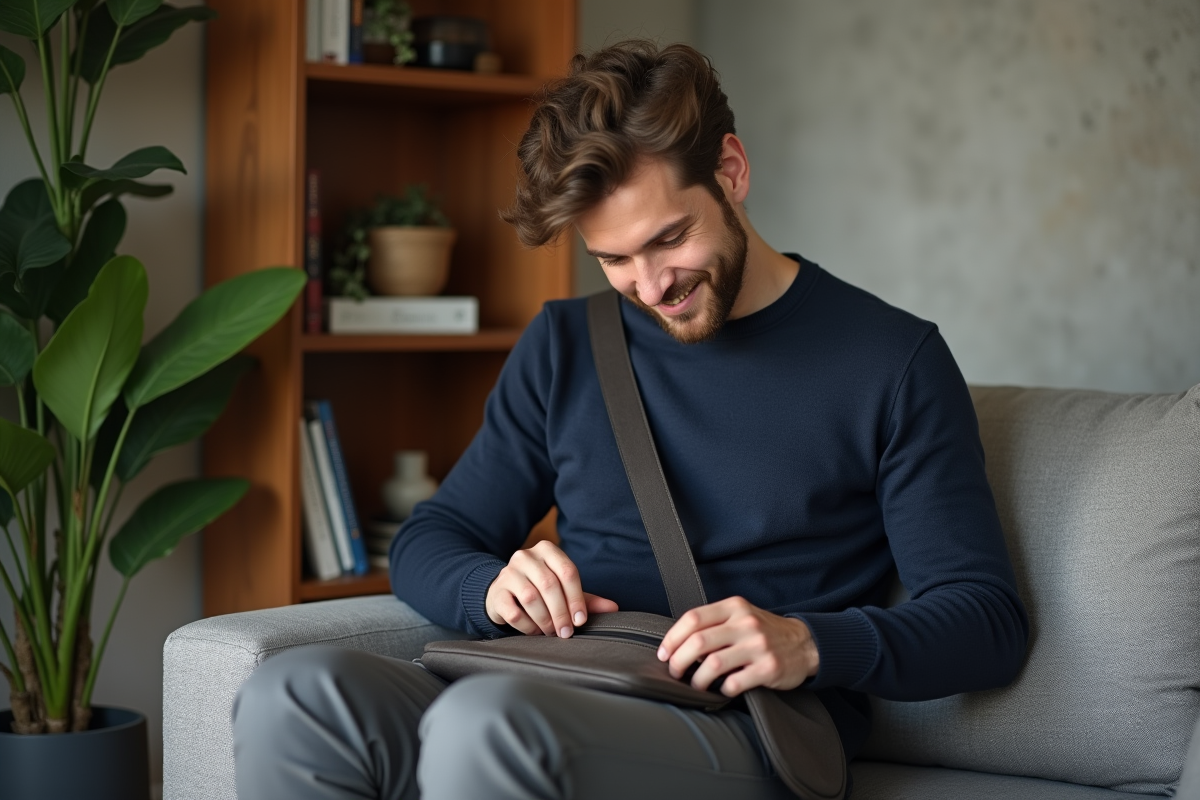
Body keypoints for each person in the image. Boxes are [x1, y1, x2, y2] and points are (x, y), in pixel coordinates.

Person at [232, 40, 1028, 800]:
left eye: (670, 239)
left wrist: (807, 641)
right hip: (561, 679)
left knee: (490, 727)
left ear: (731, 170)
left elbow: (984, 621)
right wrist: (493, 589)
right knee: (293, 690)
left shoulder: (891, 361)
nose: (650, 287)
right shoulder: (565, 346)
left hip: (742, 720)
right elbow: (428, 540)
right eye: (613, 259)